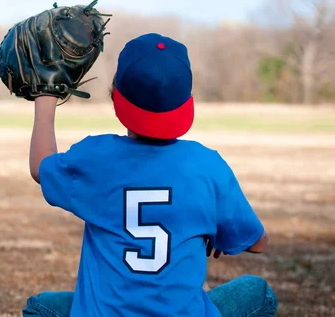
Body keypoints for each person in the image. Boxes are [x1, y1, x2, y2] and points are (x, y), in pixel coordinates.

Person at [23, 33, 278, 316]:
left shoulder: (96, 157)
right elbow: (258, 242)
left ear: (115, 95)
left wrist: (45, 95)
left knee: (41, 307)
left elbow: (41, 166)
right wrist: (215, 232)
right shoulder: (207, 165)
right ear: (186, 102)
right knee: (259, 293)